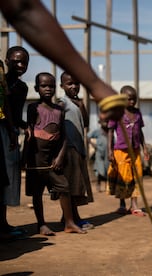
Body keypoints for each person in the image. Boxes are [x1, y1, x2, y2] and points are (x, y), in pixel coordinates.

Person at [0, 0, 125, 121]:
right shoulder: (50, 106)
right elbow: (24, 10)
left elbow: (23, 10)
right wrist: (95, 84)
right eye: (44, 86)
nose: (20, 65)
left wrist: (95, 84)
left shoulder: (24, 89)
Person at [24, 72, 85, 235]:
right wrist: (25, 158)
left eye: (51, 86)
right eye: (44, 86)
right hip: (36, 160)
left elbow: (63, 136)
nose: (48, 89)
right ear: (37, 88)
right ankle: (41, 224)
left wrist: (60, 157)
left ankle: (69, 222)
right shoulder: (33, 108)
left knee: (64, 187)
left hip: (53, 161)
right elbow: (29, 133)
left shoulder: (59, 110)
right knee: (37, 193)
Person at [58, 72, 94, 231]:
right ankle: (74, 218)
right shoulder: (62, 103)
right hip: (68, 149)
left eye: (76, 83)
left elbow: (85, 123)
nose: (73, 86)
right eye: (69, 84)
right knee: (72, 186)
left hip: (78, 148)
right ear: (62, 86)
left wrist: (81, 105)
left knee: (76, 185)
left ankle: (66, 217)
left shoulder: (78, 102)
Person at [0, 46, 30, 239]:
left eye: (24, 62)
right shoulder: (1, 82)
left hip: (10, 134)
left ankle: (2, 224)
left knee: (7, 179)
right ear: (7, 60)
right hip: (3, 131)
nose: (20, 65)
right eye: (16, 61)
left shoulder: (21, 88)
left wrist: (26, 127)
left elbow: (17, 115)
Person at [107, 85, 149, 216]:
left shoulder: (137, 113)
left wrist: (145, 147)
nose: (132, 102)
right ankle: (122, 204)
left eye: (134, 99)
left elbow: (140, 131)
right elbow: (110, 131)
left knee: (137, 176)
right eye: (129, 99)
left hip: (135, 150)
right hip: (121, 150)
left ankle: (134, 205)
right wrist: (109, 150)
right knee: (123, 177)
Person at [87, 119, 110, 193]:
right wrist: (94, 145)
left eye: (106, 122)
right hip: (99, 152)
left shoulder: (110, 131)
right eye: (104, 122)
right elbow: (88, 137)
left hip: (107, 152)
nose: (105, 123)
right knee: (100, 169)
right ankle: (98, 183)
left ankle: (107, 185)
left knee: (107, 168)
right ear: (100, 123)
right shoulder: (97, 131)